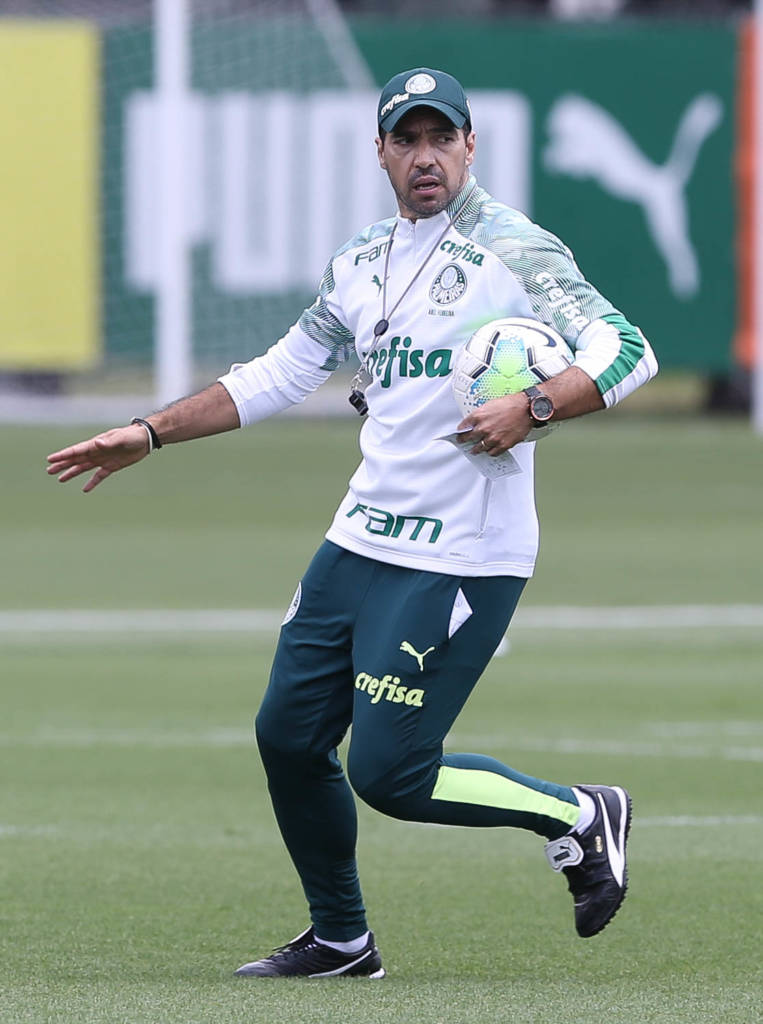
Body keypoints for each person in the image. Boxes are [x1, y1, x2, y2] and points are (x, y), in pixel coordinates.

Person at [48, 67, 658, 980]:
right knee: (287, 738)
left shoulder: (514, 249)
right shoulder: (362, 259)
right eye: (406, 140)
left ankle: (576, 813)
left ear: (470, 146)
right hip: (358, 540)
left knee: (390, 774)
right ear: (379, 152)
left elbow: (627, 350)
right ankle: (340, 939)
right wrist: (151, 430)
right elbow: (281, 372)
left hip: (461, 554)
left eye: (441, 138)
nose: (425, 157)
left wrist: (533, 406)